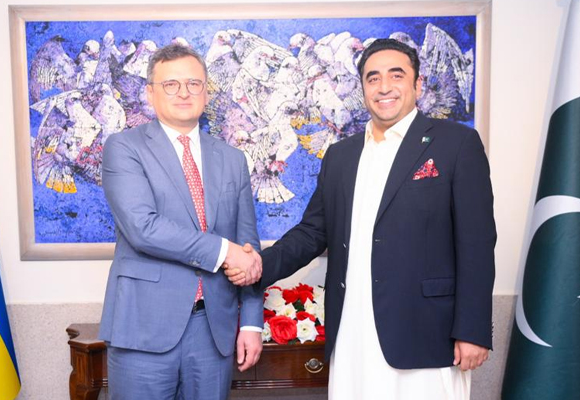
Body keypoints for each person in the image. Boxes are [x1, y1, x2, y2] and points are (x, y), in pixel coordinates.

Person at [228, 38, 496, 399]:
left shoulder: (456, 144)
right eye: (373, 78)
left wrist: (473, 329)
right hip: (352, 332)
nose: (384, 86)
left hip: (426, 333)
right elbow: (312, 232)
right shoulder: (341, 155)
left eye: (396, 75)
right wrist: (259, 265)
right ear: (363, 89)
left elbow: (477, 243)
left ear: (417, 84)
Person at [99, 43, 263, 400]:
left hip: (213, 329)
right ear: (150, 94)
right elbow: (143, 227)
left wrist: (251, 321)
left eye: (194, 83)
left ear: (206, 93)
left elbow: (248, 246)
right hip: (143, 325)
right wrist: (224, 251)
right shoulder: (123, 148)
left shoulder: (233, 159)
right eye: (170, 84)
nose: (184, 92)